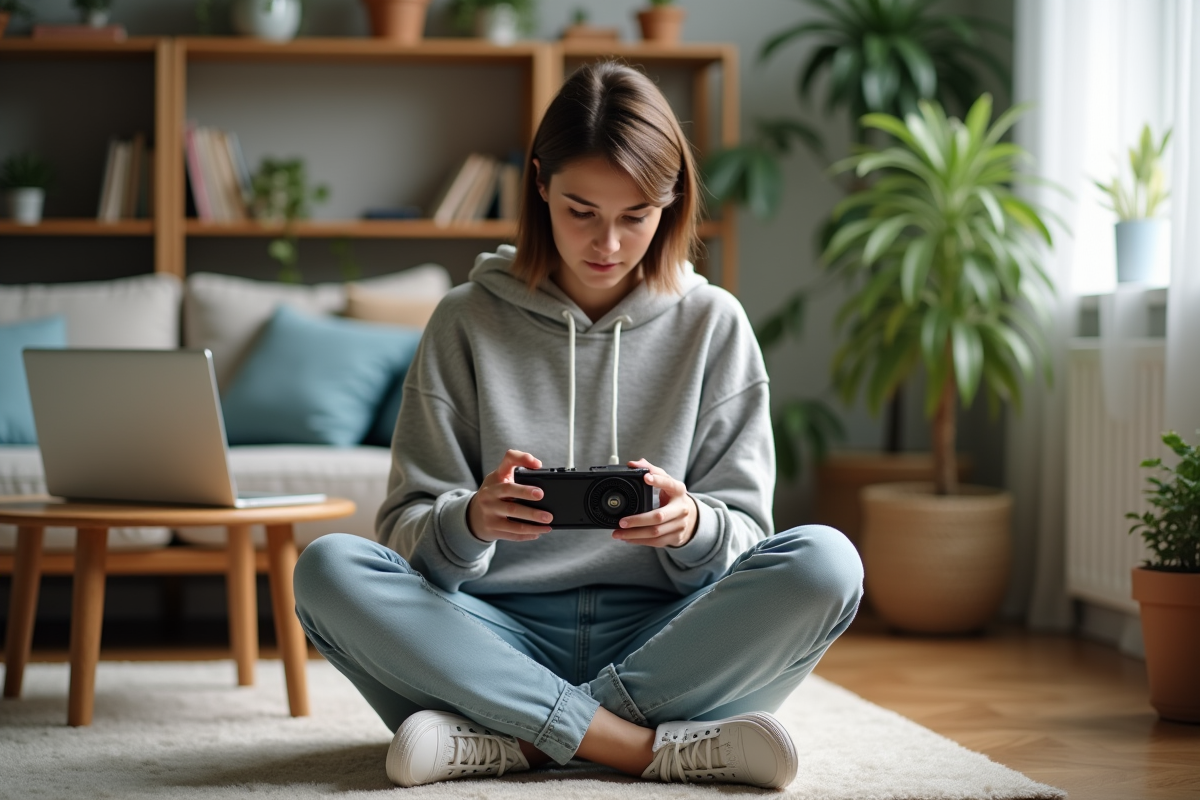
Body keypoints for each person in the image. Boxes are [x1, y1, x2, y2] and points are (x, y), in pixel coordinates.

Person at [293, 60, 863, 790]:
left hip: (668, 637)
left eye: (636, 216)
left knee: (828, 561)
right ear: (538, 185)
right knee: (328, 568)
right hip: (493, 637)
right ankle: (644, 747)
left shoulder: (715, 325)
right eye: (581, 211)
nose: (610, 245)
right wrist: (470, 521)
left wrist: (695, 526)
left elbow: (749, 537)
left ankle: (517, 741)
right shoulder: (464, 320)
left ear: (672, 201)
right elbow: (404, 531)